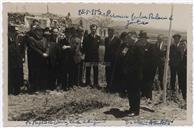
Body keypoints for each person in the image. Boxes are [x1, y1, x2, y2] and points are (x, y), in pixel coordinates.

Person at [27, 26, 49, 92]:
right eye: (38, 31)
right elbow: (34, 48)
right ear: (35, 32)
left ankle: (42, 88)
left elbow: (47, 47)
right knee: (35, 74)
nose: (40, 32)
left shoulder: (44, 39)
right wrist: (42, 54)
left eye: (41, 31)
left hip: (43, 60)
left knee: (42, 73)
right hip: (35, 60)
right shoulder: (31, 39)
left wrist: (47, 53)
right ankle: (34, 88)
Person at [82, 24, 101, 88]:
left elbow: (98, 47)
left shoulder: (98, 37)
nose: (93, 30)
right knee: (88, 70)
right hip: (88, 57)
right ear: (90, 29)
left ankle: (96, 83)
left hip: (95, 57)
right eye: (92, 29)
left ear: (96, 29)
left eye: (95, 29)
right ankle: (88, 83)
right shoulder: (86, 37)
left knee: (96, 70)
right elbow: (84, 47)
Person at [138, 31, 154, 101]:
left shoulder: (150, 46)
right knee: (141, 81)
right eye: (141, 38)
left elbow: (152, 58)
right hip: (140, 67)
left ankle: (149, 97)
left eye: (143, 38)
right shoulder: (139, 46)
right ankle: (143, 95)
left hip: (148, 68)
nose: (142, 39)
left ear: (146, 39)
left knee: (148, 82)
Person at [169, 34, 186, 100]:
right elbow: (170, 55)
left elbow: (182, 56)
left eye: (177, 39)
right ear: (174, 39)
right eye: (175, 39)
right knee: (172, 77)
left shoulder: (182, 46)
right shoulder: (171, 47)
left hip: (180, 66)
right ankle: (172, 89)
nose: (176, 40)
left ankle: (180, 89)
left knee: (180, 78)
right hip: (173, 65)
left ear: (179, 39)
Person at [8, 24, 23, 95]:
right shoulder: (8, 38)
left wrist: (23, 57)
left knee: (18, 73)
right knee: (11, 73)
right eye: (15, 31)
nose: (16, 32)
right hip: (11, 59)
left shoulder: (19, 38)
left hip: (18, 59)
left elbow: (22, 49)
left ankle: (17, 89)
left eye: (17, 31)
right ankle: (11, 89)